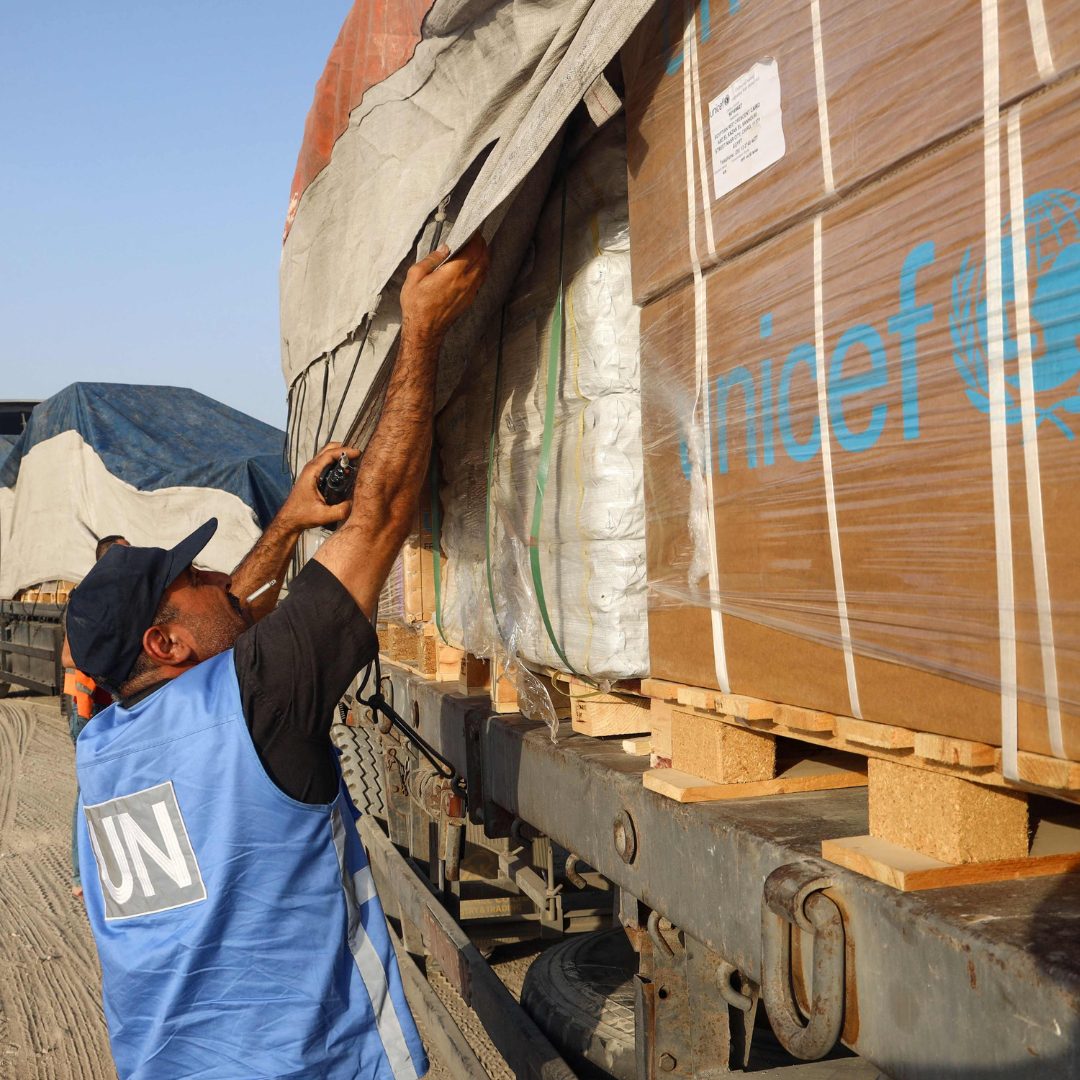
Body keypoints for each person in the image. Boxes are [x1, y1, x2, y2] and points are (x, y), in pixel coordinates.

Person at [65, 235, 490, 1080]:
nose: (221, 578)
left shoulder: (105, 754)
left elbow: (225, 623)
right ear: (164, 641)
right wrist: (422, 331)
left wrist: (290, 523)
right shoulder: (251, 703)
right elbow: (377, 522)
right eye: (192, 578)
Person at [61, 534, 129, 899]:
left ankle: (111, 866)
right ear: (107, 560)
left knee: (117, 786)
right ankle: (78, 875)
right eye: (125, 553)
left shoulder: (121, 598)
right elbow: (69, 657)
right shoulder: (84, 598)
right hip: (88, 708)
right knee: (88, 789)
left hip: (113, 704)